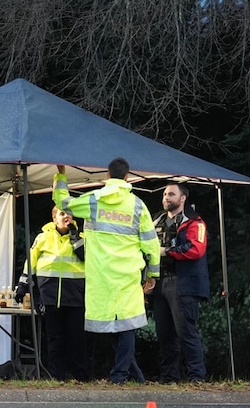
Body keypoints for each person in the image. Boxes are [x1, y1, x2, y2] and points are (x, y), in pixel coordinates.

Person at [53, 158, 159, 384]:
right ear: (127, 177)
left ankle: (123, 376)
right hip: (128, 274)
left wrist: (61, 175)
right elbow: (151, 243)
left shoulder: (93, 201)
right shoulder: (138, 205)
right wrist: (153, 274)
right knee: (126, 325)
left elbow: (62, 202)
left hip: (101, 276)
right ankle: (128, 376)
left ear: (108, 177)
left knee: (118, 327)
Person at [15, 207, 90, 381]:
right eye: (62, 214)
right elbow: (30, 262)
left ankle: (81, 377)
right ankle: (57, 377)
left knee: (76, 338)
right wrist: (22, 285)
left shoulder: (83, 237)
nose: (67, 217)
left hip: (75, 295)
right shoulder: (43, 237)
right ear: (54, 218)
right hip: (50, 296)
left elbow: (85, 257)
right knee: (54, 339)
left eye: (69, 213)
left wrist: (75, 236)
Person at [153, 182, 208, 383]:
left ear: (182, 198)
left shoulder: (195, 223)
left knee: (185, 332)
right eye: (165, 194)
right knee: (164, 333)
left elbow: (196, 249)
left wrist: (166, 252)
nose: (166, 197)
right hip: (159, 282)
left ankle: (197, 377)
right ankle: (169, 377)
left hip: (183, 284)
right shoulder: (156, 220)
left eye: (171, 194)